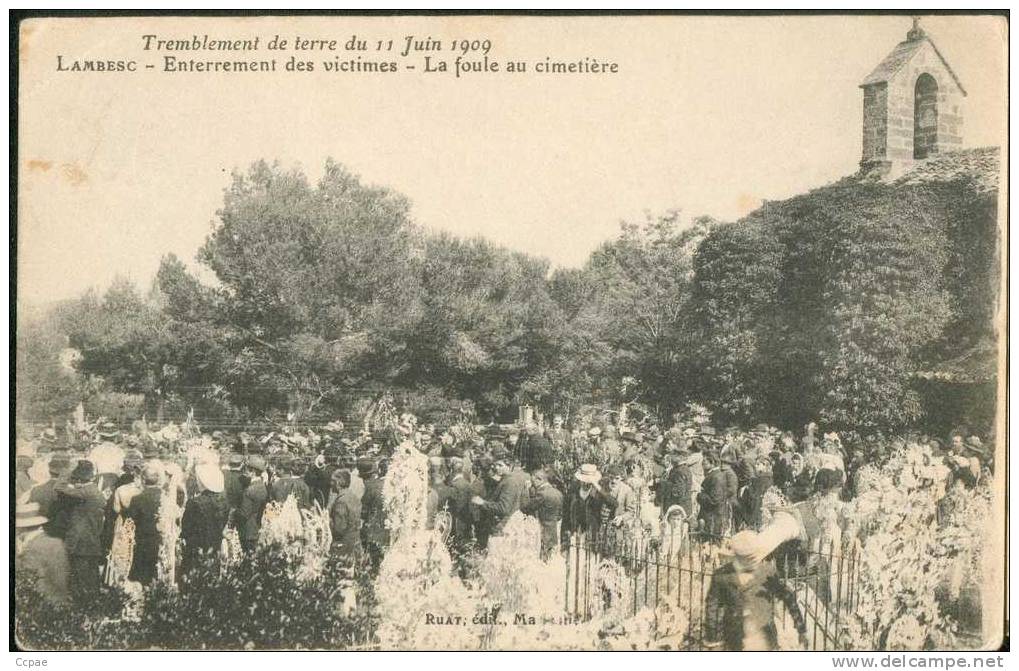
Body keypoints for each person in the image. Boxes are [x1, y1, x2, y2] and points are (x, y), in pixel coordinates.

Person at [703, 530, 807, 651]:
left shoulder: (767, 572)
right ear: (738, 556)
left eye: (755, 557)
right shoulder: (722, 576)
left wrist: (801, 629)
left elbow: (788, 597)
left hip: (765, 639)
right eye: (749, 558)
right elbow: (712, 608)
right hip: (735, 640)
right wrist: (713, 641)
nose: (754, 561)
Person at [55, 460, 107, 605]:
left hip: (80, 541)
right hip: (91, 540)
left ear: (78, 478)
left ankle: (83, 609)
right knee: (91, 578)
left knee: (80, 579)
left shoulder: (85, 492)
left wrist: (66, 471)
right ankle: (93, 607)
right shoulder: (93, 491)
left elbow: (59, 486)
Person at [16, 502, 71, 606]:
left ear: (21, 528)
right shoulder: (56, 543)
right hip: (55, 602)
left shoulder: (34, 547)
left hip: (41, 605)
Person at [180, 464, 230, 577]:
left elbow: (185, 530)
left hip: (196, 550)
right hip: (215, 548)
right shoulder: (224, 502)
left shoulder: (195, 503)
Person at [471, 447, 529, 535]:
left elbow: (503, 508)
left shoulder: (509, 482)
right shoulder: (514, 478)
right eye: (495, 465)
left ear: (510, 466)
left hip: (503, 526)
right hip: (511, 522)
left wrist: (482, 503)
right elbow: (525, 502)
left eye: (500, 465)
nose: (496, 468)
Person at [126, 462, 164, 585]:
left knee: (141, 579)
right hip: (161, 542)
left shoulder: (137, 499)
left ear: (143, 480)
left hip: (143, 543)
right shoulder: (164, 496)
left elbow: (130, 522)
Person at [561, 463, 609, 548]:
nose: (586, 484)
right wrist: (566, 532)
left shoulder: (597, 493)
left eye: (589, 482)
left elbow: (613, 503)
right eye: (584, 481)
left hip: (592, 531)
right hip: (575, 530)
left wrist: (598, 487)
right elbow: (566, 513)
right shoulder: (573, 491)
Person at [520, 467, 563, 559]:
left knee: (541, 559)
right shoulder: (558, 493)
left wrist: (526, 491)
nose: (532, 484)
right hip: (553, 531)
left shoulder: (542, 494)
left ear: (539, 479)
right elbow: (559, 514)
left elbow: (526, 508)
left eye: (533, 481)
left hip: (542, 532)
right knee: (550, 559)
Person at [358, 457, 388, 572]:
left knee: (375, 556)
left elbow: (364, 508)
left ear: (380, 470)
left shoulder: (373, 486)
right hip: (391, 524)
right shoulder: (398, 485)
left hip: (375, 525)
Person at [237, 456, 269, 554]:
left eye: (247, 469)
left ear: (253, 471)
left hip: (247, 531)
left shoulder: (249, 490)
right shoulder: (263, 486)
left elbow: (244, 513)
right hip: (256, 529)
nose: (245, 472)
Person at [329, 469, 363, 561]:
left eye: (332, 481)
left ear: (338, 483)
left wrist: (328, 523)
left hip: (344, 545)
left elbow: (340, 528)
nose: (330, 484)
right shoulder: (353, 496)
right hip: (355, 541)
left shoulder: (341, 501)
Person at [28, 453, 71, 519]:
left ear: (49, 471)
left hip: (39, 524)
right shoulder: (69, 490)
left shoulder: (36, 489)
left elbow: (31, 510)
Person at [697, 452, 730, 539]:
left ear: (712, 463)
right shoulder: (715, 474)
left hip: (713, 516)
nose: (702, 464)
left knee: (711, 540)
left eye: (705, 462)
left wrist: (700, 495)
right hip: (712, 514)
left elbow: (715, 500)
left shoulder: (716, 476)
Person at [657, 451, 693, 518]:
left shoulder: (679, 471)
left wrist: (663, 483)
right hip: (684, 504)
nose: (671, 457)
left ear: (680, 457)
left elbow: (678, 491)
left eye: (674, 455)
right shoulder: (684, 468)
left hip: (678, 506)